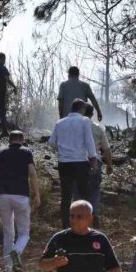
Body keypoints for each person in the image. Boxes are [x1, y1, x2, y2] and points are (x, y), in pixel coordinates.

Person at [0, 130, 41, 272]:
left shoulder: (1, 152)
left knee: (8, 233)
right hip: (21, 196)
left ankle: (8, 269)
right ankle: (16, 251)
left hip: (4, 196)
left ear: (9, 140)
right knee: (24, 233)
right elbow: (32, 173)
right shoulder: (26, 152)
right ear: (22, 140)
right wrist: (37, 194)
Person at [49, 98, 97, 228]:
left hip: (64, 163)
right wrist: (93, 158)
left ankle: (65, 226)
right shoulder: (84, 121)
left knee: (66, 196)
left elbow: (52, 142)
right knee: (84, 194)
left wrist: (61, 149)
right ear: (81, 109)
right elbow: (89, 141)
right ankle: (86, 223)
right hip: (80, 162)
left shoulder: (60, 123)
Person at [84, 103, 113, 218]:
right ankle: (93, 213)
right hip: (95, 161)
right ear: (92, 114)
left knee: (78, 189)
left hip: (77, 161)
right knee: (94, 189)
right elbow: (106, 149)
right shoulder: (98, 128)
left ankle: (79, 212)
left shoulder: (75, 126)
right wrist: (109, 165)